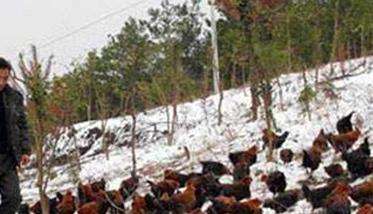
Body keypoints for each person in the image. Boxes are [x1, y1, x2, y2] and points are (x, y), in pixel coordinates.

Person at [0, 57, 31, 213]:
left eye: (4, 78)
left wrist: (25, 150)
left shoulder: (14, 97)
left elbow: (22, 124)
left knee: (13, 198)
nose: (1, 82)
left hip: (7, 157)